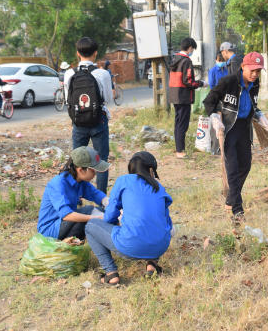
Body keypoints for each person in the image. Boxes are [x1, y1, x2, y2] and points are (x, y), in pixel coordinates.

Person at [86, 152, 173, 286]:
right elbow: (165, 221)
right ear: (151, 170)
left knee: (91, 226)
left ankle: (111, 273)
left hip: (129, 246)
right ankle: (152, 264)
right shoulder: (159, 187)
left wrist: (117, 224)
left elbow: (109, 216)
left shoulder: (124, 180)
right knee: (153, 225)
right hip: (160, 247)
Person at [204, 52, 268, 222]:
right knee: (232, 168)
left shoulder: (255, 84)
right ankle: (237, 210)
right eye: (252, 70)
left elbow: (252, 104)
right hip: (227, 128)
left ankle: (230, 199)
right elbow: (209, 101)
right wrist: (214, 118)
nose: (255, 74)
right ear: (243, 67)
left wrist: (259, 115)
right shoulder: (229, 82)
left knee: (246, 165)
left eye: (258, 71)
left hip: (243, 128)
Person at [63, 37, 113, 193]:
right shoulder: (102, 73)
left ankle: (75, 197)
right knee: (101, 160)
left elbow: (67, 99)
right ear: (95, 54)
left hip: (78, 122)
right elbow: (108, 99)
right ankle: (102, 201)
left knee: (77, 161)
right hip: (99, 121)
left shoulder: (69, 73)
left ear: (78, 53)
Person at [37, 147, 110, 241]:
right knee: (90, 211)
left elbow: (96, 195)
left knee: (100, 210)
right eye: (93, 170)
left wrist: (111, 204)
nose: (95, 174)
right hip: (50, 231)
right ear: (80, 170)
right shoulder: (58, 183)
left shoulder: (81, 181)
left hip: (65, 225)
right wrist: (97, 217)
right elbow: (67, 215)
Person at [168, 37, 205, 159]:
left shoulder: (175, 59)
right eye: (193, 49)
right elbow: (189, 81)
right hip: (183, 96)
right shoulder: (186, 61)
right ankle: (180, 151)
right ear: (190, 48)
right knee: (182, 124)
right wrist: (202, 83)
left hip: (174, 96)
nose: (192, 51)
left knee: (178, 123)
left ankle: (178, 149)